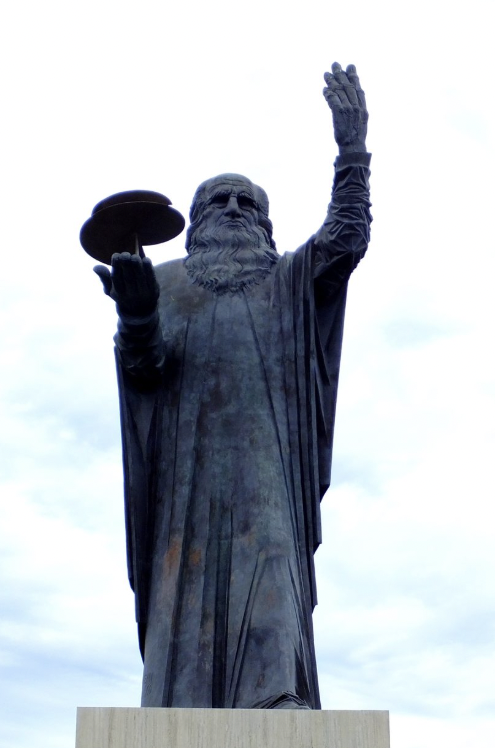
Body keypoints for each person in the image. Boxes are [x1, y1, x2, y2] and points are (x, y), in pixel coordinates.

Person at [94, 63, 371, 709]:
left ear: (267, 224)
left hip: (267, 466)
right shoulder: (161, 281)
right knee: (180, 581)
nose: (234, 209)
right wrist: (135, 315)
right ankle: (184, 707)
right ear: (194, 221)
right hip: (185, 478)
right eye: (219, 201)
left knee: (272, 558)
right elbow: (145, 372)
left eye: (249, 202)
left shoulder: (287, 280)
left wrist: (351, 150)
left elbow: (346, 240)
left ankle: (276, 700)